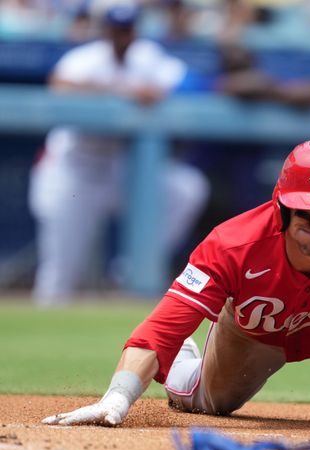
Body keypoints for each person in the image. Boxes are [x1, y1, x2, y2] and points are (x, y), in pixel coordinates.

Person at [41, 139, 310, 448]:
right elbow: (161, 327)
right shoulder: (231, 243)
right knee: (206, 403)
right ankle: (186, 365)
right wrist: (116, 397)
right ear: (282, 204)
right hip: (257, 335)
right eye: (308, 214)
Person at [28, 5, 209, 306]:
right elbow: (59, 86)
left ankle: (126, 272)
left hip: (118, 168)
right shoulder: (86, 58)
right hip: (73, 168)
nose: (121, 34)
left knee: (185, 189)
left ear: (135, 30)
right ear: (105, 30)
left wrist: (160, 91)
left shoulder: (147, 56)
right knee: (60, 276)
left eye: (127, 28)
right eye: (115, 27)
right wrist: (121, 90)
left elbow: (187, 82)